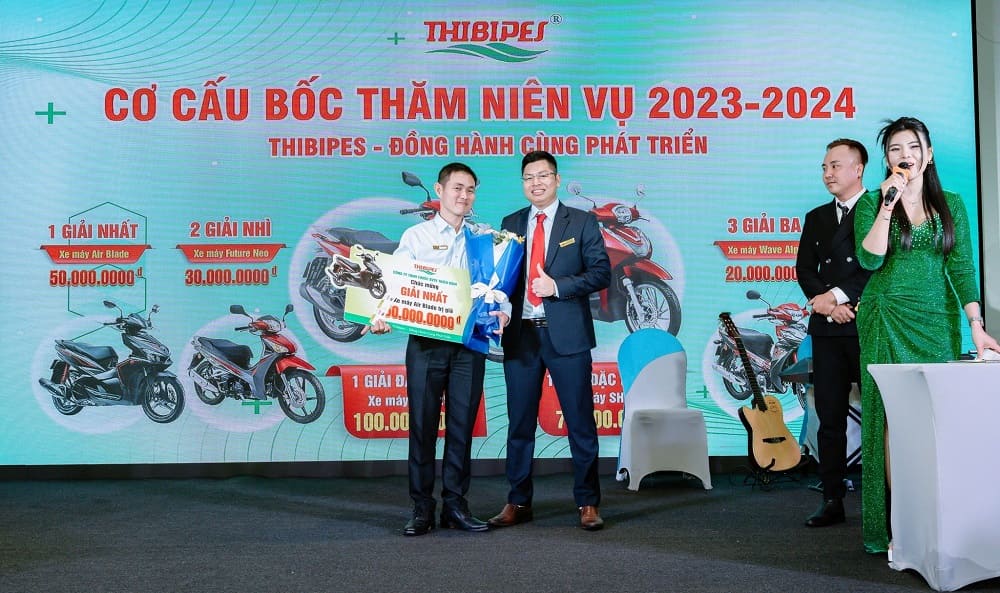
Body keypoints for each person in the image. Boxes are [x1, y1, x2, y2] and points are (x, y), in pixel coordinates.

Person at [854, 116, 1000, 553]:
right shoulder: (873, 202)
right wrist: (887, 205)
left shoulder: (951, 203)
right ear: (887, 159)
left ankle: (939, 521)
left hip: (937, 319)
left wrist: (976, 325)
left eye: (913, 147)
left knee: (935, 421)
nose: (906, 155)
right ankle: (904, 527)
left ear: (928, 154)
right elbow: (869, 260)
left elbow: (961, 267)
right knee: (890, 421)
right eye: (896, 149)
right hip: (885, 315)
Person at [371, 162, 510, 536]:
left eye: (470, 190)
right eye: (457, 188)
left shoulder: (484, 239)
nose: (464, 196)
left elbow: (498, 287)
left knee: (462, 428)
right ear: (439, 190)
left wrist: (504, 313)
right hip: (426, 345)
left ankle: (455, 505)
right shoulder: (417, 236)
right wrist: (380, 314)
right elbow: (394, 285)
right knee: (423, 427)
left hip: (469, 344)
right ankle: (421, 508)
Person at [487, 150, 611, 531]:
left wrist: (557, 286)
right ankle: (518, 500)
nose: (536, 183)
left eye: (543, 176)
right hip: (521, 335)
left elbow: (601, 272)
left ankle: (588, 502)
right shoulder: (510, 223)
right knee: (519, 423)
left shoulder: (583, 221)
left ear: (557, 180)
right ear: (523, 183)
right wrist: (498, 306)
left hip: (567, 336)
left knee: (580, 421)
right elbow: (501, 278)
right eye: (529, 177)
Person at [796, 138, 872, 528]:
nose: (828, 173)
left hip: (867, 326)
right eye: (825, 167)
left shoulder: (879, 210)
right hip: (826, 330)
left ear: (858, 169)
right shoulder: (816, 217)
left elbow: (876, 266)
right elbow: (805, 270)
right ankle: (831, 498)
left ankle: (887, 498)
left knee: (879, 416)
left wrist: (839, 297)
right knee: (829, 418)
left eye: (836, 166)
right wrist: (826, 304)